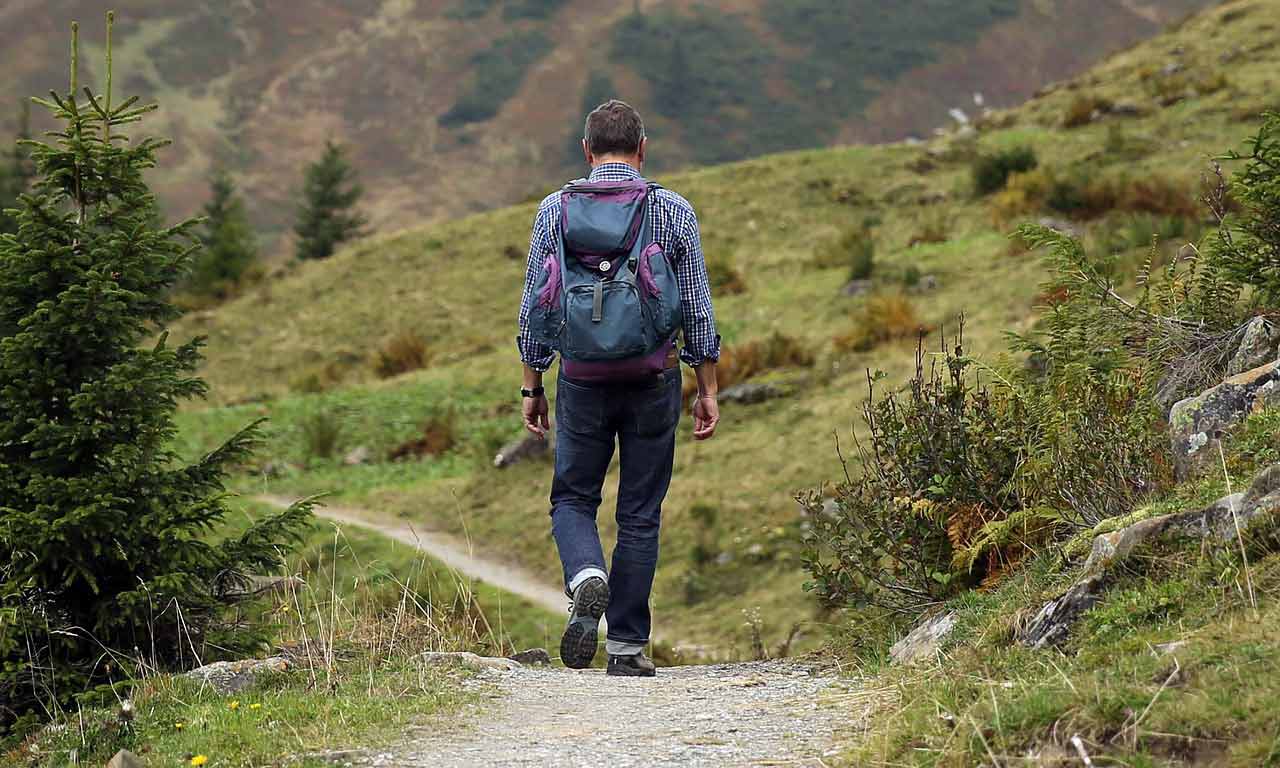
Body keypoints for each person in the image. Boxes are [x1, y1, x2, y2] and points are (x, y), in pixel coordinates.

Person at [516, 100, 720, 677]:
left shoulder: (555, 210)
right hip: (653, 377)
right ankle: (627, 647)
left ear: (586, 151)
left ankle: (586, 576)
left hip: (580, 378)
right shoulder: (672, 211)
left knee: (573, 497)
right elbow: (698, 310)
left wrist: (532, 384)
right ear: (642, 148)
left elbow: (536, 304)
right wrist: (706, 387)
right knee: (640, 512)